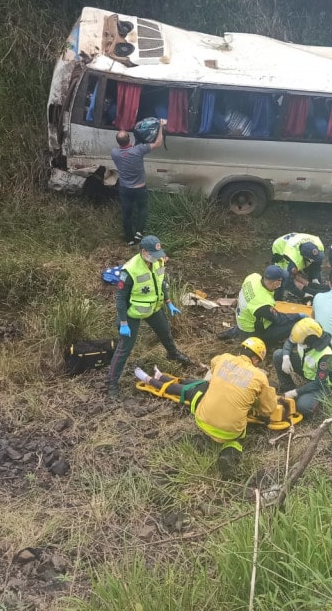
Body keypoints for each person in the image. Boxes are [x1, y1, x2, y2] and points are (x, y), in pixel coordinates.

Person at [134, 337, 277, 476]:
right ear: (256, 359)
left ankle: (156, 379)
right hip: (229, 431)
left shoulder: (224, 358)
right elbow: (268, 409)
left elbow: (214, 365)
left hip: (201, 420)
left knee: (199, 387)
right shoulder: (259, 376)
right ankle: (229, 453)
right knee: (239, 435)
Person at [105, 235, 191, 402]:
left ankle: (173, 354)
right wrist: (123, 322)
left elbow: (161, 282)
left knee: (165, 332)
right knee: (125, 347)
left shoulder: (158, 261)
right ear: (144, 252)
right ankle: (111, 383)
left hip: (153, 308)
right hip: (132, 313)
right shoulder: (129, 271)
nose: (157, 258)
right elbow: (120, 299)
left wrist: (169, 302)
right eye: (153, 254)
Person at [273, 318, 332, 418]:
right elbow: (289, 342)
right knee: (278, 355)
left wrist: (296, 392)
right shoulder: (303, 335)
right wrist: (286, 357)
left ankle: (318, 405)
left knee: (303, 406)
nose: (298, 344)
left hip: (324, 384)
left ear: (309, 342)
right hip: (308, 370)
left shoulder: (325, 355)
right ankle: (287, 389)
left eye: (300, 343)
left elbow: (319, 383)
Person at [110, 125, 164, 246]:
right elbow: (158, 143)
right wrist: (161, 126)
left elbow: (126, 149)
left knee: (127, 213)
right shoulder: (139, 150)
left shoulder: (114, 153)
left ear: (118, 142)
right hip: (140, 188)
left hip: (125, 189)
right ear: (129, 139)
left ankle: (129, 238)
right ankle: (139, 232)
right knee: (142, 209)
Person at [235, 265, 307, 349]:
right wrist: (299, 315)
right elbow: (280, 319)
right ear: (276, 282)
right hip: (252, 335)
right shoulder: (262, 303)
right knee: (297, 323)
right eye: (281, 280)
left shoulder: (253, 277)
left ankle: (235, 331)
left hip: (243, 321)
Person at [270, 232, 325, 299]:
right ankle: (277, 299)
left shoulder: (318, 245)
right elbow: (288, 283)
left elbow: (317, 263)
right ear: (305, 257)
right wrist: (302, 295)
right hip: (280, 247)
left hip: (296, 240)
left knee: (313, 271)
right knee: (281, 277)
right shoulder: (295, 259)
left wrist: (315, 279)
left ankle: (312, 290)